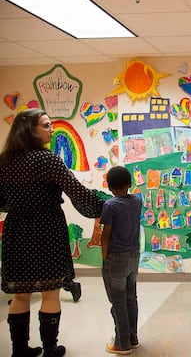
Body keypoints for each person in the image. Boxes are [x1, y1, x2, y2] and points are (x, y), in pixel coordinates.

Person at [0, 108, 104, 357]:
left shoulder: (4, 161)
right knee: (50, 293)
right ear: (30, 129)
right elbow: (76, 191)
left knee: (20, 295)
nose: (52, 129)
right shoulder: (47, 160)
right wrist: (104, 206)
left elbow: (1, 201)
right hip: (47, 228)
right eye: (46, 125)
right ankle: (50, 348)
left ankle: (19, 350)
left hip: (16, 232)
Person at [100, 166, 142, 355]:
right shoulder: (137, 201)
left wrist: (104, 259)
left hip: (116, 257)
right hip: (134, 255)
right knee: (130, 297)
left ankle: (122, 343)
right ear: (130, 184)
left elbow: (105, 235)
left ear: (109, 186)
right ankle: (132, 338)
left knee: (118, 301)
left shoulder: (110, 205)